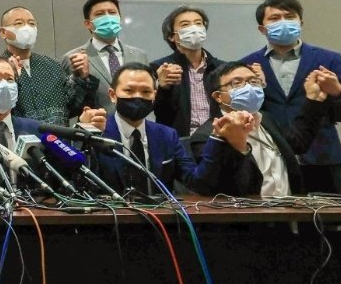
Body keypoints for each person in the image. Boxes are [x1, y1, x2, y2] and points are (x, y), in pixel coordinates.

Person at [242, 0, 341, 194]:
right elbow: (250, 115)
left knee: (331, 214)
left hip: (322, 157)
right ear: (262, 29)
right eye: (275, 18)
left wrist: (337, 91)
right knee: (276, 214)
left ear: (300, 23)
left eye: (289, 16)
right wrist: (257, 86)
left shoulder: (328, 59)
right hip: (273, 159)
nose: (283, 22)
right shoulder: (248, 64)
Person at [94, 63, 243, 197]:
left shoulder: (166, 135)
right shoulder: (97, 134)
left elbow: (197, 182)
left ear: (154, 95)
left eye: (146, 92)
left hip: (160, 216)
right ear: (113, 95)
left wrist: (216, 138)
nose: (138, 97)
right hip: (110, 216)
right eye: (129, 90)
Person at [190, 61, 331, 196]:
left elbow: (297, 143)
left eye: (253, 81)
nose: (249, 88)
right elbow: (221, 188)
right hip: (250, 211)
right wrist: (239, 145)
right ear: (218, 97)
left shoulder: (266, 119)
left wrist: (314, 99)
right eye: (237, 83)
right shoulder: (206, 136)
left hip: (287, 208)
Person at [0, 6, 97, 125]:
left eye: (31, 23)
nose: (27, 28)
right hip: (21, 135)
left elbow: (71, 107)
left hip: (58, 135)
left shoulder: (51, 65)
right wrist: (12, 80)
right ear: (3, 32)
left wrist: (81, 78)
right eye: (19, 23)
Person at [62, 0, 149, 111]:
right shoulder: (73, 58)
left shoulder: (139, 55)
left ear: (120, 19)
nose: (108, 17)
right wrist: (81, 79)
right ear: (88, 23)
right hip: (96, 122)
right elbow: (68, 106)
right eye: (100, 14)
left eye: (112, 12)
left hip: (135, 120)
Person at [150, 6, 223, 137]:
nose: (194, 28)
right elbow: (160, 113)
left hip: (217, 137)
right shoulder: (160, 67)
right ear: (171, 36)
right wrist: (163, 88)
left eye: (198, 23)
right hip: (180, 140)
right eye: (185, 24)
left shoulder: (221, 68)